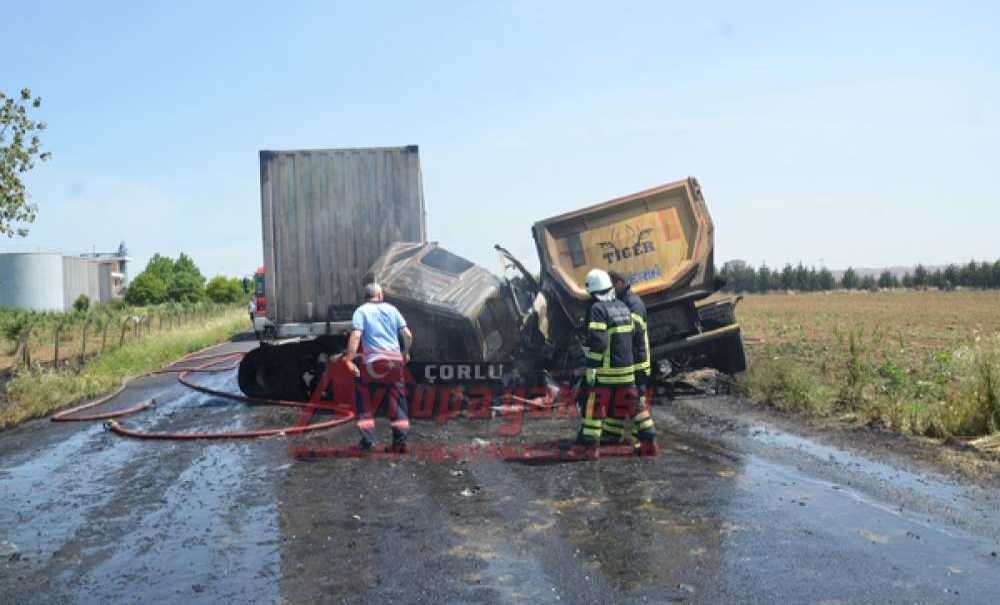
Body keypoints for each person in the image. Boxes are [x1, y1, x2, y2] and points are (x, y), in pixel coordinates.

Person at [575, 268, 657, 459]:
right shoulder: (623, 307)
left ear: (593, 291)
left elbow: (599, 342)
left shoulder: (597, 309)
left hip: (606, 371)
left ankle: (590, 448)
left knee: (593, 407)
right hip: (627, 372)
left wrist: (592, 367)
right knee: (635, 406)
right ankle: (649, 442)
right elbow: (635, 339)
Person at [345, 282, 413, 453]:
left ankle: (367, 442)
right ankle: (400, 444)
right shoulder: (392, 309)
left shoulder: (361, 311)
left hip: (374, 363)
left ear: (365, 297)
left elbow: (356, 336)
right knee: (397, 402)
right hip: (394, 362)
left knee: (364, 400)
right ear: (381, 296)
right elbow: (407, 334)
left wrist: (349, 359)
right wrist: (405, 353)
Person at [606, 270, 656, 450]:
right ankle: (612, 434)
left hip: (637, 364)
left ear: (619, 283)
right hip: (629, 363)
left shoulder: (634, 304)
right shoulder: (623, 302)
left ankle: (642, 441)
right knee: (616, 399)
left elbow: (630, 336)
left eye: (610, 285)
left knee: (634, 402)